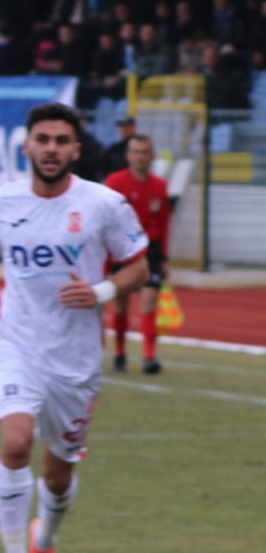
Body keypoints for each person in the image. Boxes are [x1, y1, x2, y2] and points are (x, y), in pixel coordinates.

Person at [0, 102, 149, 553]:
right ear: (27, 145)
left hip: (74, 359)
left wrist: (99, 292)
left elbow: (139, 268)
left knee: (57, 473)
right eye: (43, 140)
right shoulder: (1, 202)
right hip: (15, 341)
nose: (51, 149)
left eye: (61, 141)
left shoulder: (104, 205)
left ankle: (44, 544)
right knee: (14, 443)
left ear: (76, 149)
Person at [103, 132, 172, 374]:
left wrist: (163, 257)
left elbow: (163, 222)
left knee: (149, 300)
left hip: (149, 249)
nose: (140, 157)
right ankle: (120, 353)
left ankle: (149, 357)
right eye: (135, 152)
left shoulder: (160, 185)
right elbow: (103, 218)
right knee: (120, 305)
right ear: (128, 156)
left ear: (151, 156)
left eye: (144, 152)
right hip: (121, 249)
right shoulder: (114, 182)